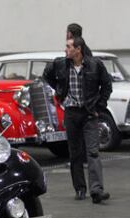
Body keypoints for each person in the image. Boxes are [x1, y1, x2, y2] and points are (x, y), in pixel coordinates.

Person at [43, 36, 112, 204]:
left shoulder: (95, 65)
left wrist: (99, 107)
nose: (65, 49)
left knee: (93, 152)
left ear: (78, 49)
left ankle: (96, 190)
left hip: (89, 113)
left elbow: (107, 85)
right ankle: (80, 189)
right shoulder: (60, 64)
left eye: (68, 47)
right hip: (71, 113)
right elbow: (47, 75)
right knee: (75, 153)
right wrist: (59, 91)